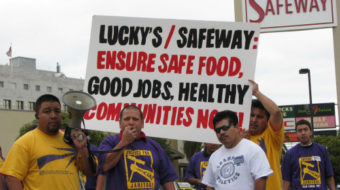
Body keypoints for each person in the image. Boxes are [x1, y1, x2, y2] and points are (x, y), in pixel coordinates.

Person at [0, 94, 97, 190]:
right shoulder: (24, 142)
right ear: (37, 116)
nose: (53, 116)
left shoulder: (71, 140)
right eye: (47, 111)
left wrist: (83, 148)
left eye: (57, 111)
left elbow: (90, 173)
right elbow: (12, 178)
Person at [98, 105, 178, 190]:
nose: (131, 122)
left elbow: (167, 179)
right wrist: (124, 142)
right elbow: (105, 166)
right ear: (120, 123)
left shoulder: (155, 146)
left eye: (135, 119)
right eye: (127, 119)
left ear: (142, 124)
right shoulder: (110, 142)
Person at [202, 110, 273, 190]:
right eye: (217, 130)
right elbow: (210, 185)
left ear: (236, 127)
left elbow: (261, 179)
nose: (221, 132)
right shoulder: (214, 156)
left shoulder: (253, 149)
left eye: (225, 127)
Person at [246, 80, 284, 190]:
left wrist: (257, 93)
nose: (254, 120)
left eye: (259, 117)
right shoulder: (237, 138)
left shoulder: (272, 137)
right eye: (251, 115)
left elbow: (276, 112)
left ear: (267, 120)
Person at [281, 119, 336, 190]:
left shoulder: (322, 150)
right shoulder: (290, 154)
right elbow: (286, 180)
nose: (303, 133)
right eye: (300, 130)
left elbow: (329, 175)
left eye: (305, 129)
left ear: (311, 132)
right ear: (296, 134)